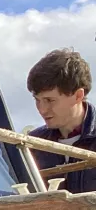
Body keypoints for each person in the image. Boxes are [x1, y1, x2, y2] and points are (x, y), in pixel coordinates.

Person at [27, 48, 96, 193]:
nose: (42, 109)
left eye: (50, 100)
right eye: (37, 100)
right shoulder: (31, 145)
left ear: (78, 96)